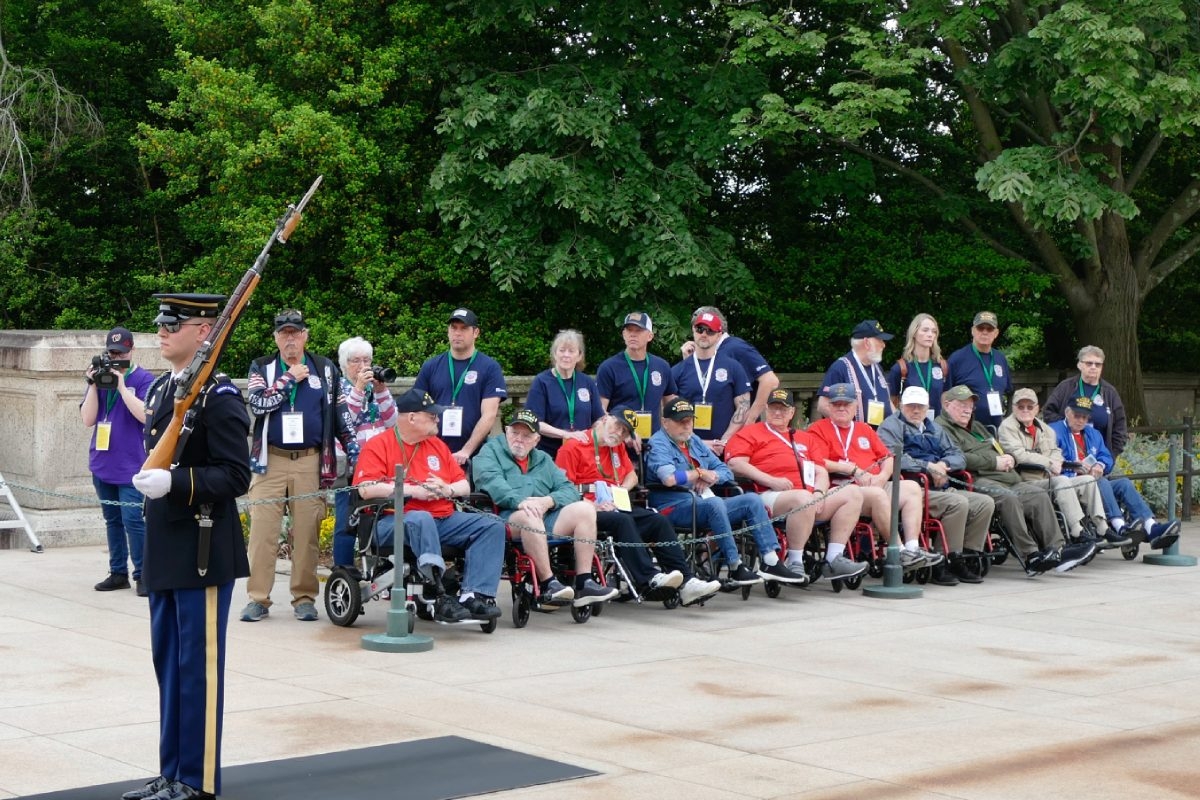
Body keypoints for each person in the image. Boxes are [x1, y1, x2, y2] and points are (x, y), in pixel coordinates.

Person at [125, 293, 251, 800]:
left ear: (204, 333)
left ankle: (197, 782)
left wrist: (175, 484)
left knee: (197, 673)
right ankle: (172, 772)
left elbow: (236, 475)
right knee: (170, 669)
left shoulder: (219, 396)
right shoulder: (163, 388)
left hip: (201, 551)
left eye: (174, 324)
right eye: (161, 323)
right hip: (166, 551)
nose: (161, 331)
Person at [241, 309, 357, 623]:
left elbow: (341, 415)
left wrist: (356, 453)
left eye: (295, 333)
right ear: (275, 337)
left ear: (305, 335)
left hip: (310, 461)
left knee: (306, 534)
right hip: (271, 462)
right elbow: (258, 403)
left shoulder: (326, 369)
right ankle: (258, 599)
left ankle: (304, 598)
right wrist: (288, 378)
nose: (290, 339)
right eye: (284, 333)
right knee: (262, 533)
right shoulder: (261, 367)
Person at [352, 388, 505, 622]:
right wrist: (415, 492)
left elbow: (463, 484)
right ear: (412, 417)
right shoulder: (378, 445)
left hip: (442, 519)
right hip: (392, 522)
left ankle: (475, 595)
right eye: (432, 415)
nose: (438, 419)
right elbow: (366, 489)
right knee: (421, 518)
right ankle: (438, 595)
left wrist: (448, 489)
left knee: (491, 525)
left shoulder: (436, 445)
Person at [555, 409, 722, 605]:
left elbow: (632, 476)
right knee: (623, 521)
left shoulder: (615, 447)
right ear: (605, 419)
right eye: (617, 426)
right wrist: (593, 504)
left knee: (658, 520)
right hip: (587, 509)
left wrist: (619, 491)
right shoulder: (573, 447)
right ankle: (648, 578)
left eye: (625, 432)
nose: (619, 434)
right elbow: (563, 488)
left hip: (615, 504)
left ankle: (687, 582)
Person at [938, 385, 1096, 574]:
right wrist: (994, 462)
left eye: (970, 405)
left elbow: (998, 448)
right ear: (947, 405)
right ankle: (1031, 555)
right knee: (1009, 498)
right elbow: (959, 458)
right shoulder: (942, 428)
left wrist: (1009, 457)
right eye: (961, 404)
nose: (967, 409)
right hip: (977, 479)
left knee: (1038, 494)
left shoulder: (977, 426)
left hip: (1007, 476)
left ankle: (1058, 550)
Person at [472, 408, 619, 608]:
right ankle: (549, 582)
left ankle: (584, 582)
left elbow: (568, 489)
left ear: (536, 440)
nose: (519, 439)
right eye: (515, 433)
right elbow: (491, 481)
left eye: (526, 436)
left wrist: (548, 501)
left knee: (585, 509)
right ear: (506, 431)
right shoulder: (490, 451)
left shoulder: (543, 459)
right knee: (529, 515)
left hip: (547, 516)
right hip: (508, 517)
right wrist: (521, 501)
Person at [725, 389, 873, 581]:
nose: (778, 413)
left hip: (809, 497)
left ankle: (833, 559)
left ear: (792, 412)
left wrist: (820, 491)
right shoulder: (750, 433)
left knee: (852, 492)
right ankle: (794, 560)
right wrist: (770, 480)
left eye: (783, 409)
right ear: (766, 410)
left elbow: (820, 471)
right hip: (770, 495)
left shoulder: (804, 438)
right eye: (773, 408)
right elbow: (735, 463)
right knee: (802, 498)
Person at [645, 398, 795, 588]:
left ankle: (771, 561)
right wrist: (698, 473)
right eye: (680, 421)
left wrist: (711, 476)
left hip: (704, 502)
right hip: (674, 506)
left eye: (689, 420)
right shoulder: (659, 443)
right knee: (714, 504)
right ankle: (735, 566)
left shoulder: (694, 440)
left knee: (751, 500)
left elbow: (726, 470)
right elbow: (669, 478)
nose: (686, 426)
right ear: (665, 422)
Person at [807, 383, 942, 568]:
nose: (841, 408)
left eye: (846, 404)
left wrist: (883, 476)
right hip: (844, 488)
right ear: (829, 407)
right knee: (878, 495)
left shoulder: (864, 429)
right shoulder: (818, 429)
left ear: (855, 406)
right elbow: (818, 461)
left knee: (911, 488)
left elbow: (888, 457)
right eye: (836, 404)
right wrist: (852, 469)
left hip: (874, 484)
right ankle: (899, 551)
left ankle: (913, 548)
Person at [876, 386, 994, 584]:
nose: (915, 411)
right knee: (957, 503)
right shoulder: (890, 426)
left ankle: (966, 554)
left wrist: (943, 465)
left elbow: (958, 456)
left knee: (984, 502)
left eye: (920, 407)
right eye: (911, 406)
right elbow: (894, 458)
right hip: (913, 487)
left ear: (927, 408)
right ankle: (943, 560)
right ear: (901, 405)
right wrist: (928, 467)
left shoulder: (934, 428)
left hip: (940, 485)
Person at [1049, 396, 1182, 549]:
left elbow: (1106, 456)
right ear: (1067, 413)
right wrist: (1072, 466)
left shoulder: (1093, 433)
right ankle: (1119, 526)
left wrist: (1100, 464)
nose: (1081, 420)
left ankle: (1151, 527)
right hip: (1071, 483)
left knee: (1123, 483)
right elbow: (1051, 460)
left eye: (1085, 417)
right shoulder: (1054, 431)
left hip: (1095, 480)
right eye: (1077, 415)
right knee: (1101, 481)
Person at [81, 326, 155, 596]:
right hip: (103, 463)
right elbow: (88, 419)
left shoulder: (145, 379)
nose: (116, 359)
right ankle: (117, 572)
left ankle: (143, 574)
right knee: (112, 520)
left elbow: (146, 416)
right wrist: (92, 385)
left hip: (131, 465)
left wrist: (123, 387)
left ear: (132, 351)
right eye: (112, 353)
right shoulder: (100, 378)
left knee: (134, 520)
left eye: (121, 354)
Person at [998, 388, 1121, 547]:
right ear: (1013, 407)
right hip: (1024, 481)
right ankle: (1077, 531)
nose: (1025, 410)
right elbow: (1019, 455)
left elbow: (1056, 453)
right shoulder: (1007, 427)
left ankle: (1102, 527)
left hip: (1049, 478)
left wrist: (1058, 464)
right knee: (1062, 481)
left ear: (1037, 408)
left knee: (1088, 480)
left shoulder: (1045, 429)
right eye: (1020, 407)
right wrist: (1050, 464)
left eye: (1030, 407)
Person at [331, 336, 398, 571]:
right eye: (355, 360)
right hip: (349, 469)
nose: (362, 366)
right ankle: (343, 572)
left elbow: (394, 423)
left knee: (383, 518)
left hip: (380, 468)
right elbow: (343, 419)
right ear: (344, 364)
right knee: (346, 524)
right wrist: (359, 389)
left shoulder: (375, 390)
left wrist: (381, 391)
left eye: (366, 360)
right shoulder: (338, 389)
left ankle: (382, 570)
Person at [413, 308, 508, 465]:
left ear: (476, 332)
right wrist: (430, 446)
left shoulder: (490, 367)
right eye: (453, 328)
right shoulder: (431, 366)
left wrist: (466, 451)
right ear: (448, 331)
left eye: (464, 328)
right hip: (432, 452)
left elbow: (489, 415)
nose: (457, 333)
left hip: (474, 455)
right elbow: (418, 408)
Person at [671, 309, 752, 456]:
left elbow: (743, 406)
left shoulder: (733, 367)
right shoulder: (678, 370)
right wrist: (693, 441)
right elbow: (669, 411)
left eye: (710, 331)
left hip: (723, 447)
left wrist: (724, 440)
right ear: (693, 331)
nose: (704, 334)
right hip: (687, 448)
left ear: (719, 335)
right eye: (700, 329)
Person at [680, 306, 781, 424]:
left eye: (708, 329)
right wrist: (688, 360)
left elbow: (770, 381)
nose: (703, 333)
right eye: (699, 328)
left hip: (734, 429)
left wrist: (750, 419)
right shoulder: (705, 352)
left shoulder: (736, 347)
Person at [595, 311, 678, 439]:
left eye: (638, 330)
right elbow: (600, 412)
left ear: (650, 336)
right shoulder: (609, 367)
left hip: (654, 444)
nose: (633, 334)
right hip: (620, 442)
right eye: (629, 330)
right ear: (623, 334)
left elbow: (670, 406)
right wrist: (623, 436)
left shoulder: (661, 366)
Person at [525, 329, 604, 458]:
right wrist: (565, 434)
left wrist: (596, 432)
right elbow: (535, 422)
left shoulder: (587, 382)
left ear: (579, 356)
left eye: (571, 351)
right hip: (550, 454)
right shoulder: (542, 382)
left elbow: (598, 419)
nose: (566, 355)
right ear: (555, 354)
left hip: (582, 452)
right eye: (562, 350)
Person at [1042, 346, 1128, 457]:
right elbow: (1048, 414)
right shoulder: (1066, 387)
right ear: (1079, 365)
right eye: (1089, 363)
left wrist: (1111, 455)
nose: (1093, 367)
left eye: (1098, 364)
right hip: (1067, 452)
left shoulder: (1110, 392)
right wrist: (1070, 424)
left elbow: (1120, 427)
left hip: (1099, 455)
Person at [817, 319, 894, 427]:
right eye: (880, 340)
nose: (883, 345)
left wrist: (898, 424)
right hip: (857, 441)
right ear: (867, 342)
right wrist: (852, 429)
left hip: (883, 438)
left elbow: (887, 401)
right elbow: (823, 405)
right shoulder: (840, 367)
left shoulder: (877, 368)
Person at [946, 310, 1012, 433]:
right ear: (973, 330)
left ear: (996, 333)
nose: (985, 332)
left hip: (996, 429)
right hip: (966, 430)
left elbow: (1009, 391)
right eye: (980, 328)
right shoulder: (957, 359)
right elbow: (945, 395)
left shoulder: (1000, 359)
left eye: (989, 329)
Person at [888, 313, 952, 417]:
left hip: (936, 427)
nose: (930, 334)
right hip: (909, 427)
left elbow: (946, 399)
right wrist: (899, 424)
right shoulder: (901, 368)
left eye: (934, 331)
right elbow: (890, 400)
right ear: (914, 333)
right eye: (925, 330)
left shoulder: (942, 366)